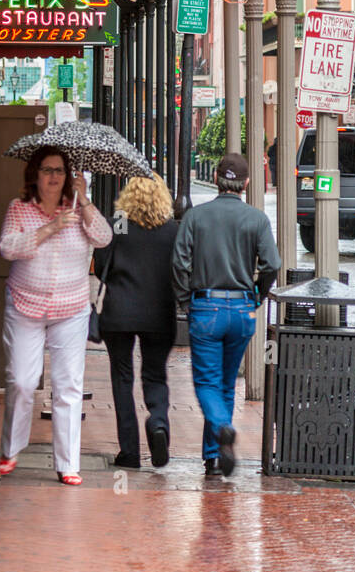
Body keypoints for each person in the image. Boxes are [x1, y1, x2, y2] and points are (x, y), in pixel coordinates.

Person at [0, 144, 112, 486]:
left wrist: (85, 200)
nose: (53, 177)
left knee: (68, 386)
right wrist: (51, 227)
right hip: (25, 306)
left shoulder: (80, 210)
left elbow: (104, 238)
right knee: (21, 379)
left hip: (71, 309)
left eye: (60, 171)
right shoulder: (20, 209)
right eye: (47, 170)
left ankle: (68, 463)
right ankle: (11, 449)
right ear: (34, 175)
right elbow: (7, 248)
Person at [172, 152, 280, 478]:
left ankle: (221, 431)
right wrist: (257, 296)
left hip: (206, 307)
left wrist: (185, 301)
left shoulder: (196, 217)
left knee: (206, 382)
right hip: (242, 310)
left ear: (217, 178)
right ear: (246, 183)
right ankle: (214, 458)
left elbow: (179, 263)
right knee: (226, 384)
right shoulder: (256, 219)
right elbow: (272, 264)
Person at [95, 173, 177, 470]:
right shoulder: (171, 230)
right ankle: (157, 424)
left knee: (122, 379)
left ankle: (129, 451)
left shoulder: (117, 223)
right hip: (159, 314)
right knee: (155, 376)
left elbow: (101, 265)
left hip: (120, 313)